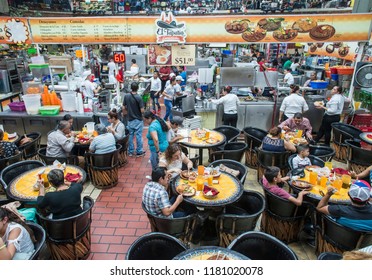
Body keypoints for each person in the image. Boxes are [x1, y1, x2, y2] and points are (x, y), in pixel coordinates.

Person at [123, 82, 145, 157]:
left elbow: (123, 107)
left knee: (131, 136)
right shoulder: (139, 97)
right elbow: (142, 110)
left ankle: (130, 151)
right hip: (138, 119)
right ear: (138, 88)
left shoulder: (126, 96)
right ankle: (139, 151)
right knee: (138, 135)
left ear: (131, 88)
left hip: (130, 119)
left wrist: (126, 112)